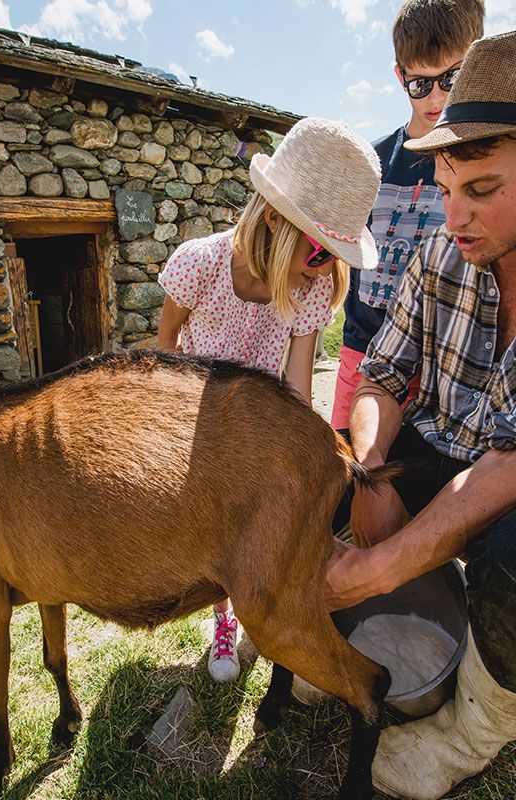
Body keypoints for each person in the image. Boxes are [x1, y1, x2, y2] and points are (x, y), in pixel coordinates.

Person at [326, 31, 516, 800]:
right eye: (444, 188)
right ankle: (334, 643)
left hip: (505, 477)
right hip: (444, 449)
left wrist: (381, 566)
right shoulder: (442, 254)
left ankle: (475, 728)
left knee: (513, 560)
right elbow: (379, 376)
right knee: (327, 478)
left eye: (482, 189)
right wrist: (371, 473)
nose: (454, 215)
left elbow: (507, 464)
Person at [157, 117, 381, 682]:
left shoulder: (312, 288)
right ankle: (223, 618)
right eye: (321, 253)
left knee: (253, 525)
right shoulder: (199, 264)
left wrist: (306, 459)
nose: (325, 270)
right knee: (210, 527)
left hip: (258, 424)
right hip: (196, 416)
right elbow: (166, 346)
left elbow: (300, 387)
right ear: (276, 220)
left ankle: (257, 611)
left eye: (336, 256)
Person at [330, 0, 485, 436]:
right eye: (420, 83)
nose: (436, 97)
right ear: (400, 77)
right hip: (363, 353)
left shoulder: (485, 165)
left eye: (451, 78)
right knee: (346, 465)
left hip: (445, 367)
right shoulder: (372, 162)